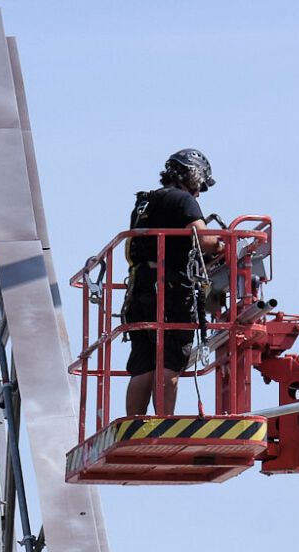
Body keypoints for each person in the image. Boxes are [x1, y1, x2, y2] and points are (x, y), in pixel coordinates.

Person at [122, 148, 221, 417]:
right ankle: (163, 422)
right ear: (192, 176)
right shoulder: (182, 200)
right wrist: (223, 244)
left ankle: (135, 425)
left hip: (139, 290)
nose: (199, 193)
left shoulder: (144, 203)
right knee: (169, 361)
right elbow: (204, 240)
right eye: (200, 185)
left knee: (143, 364)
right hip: (170, 291)